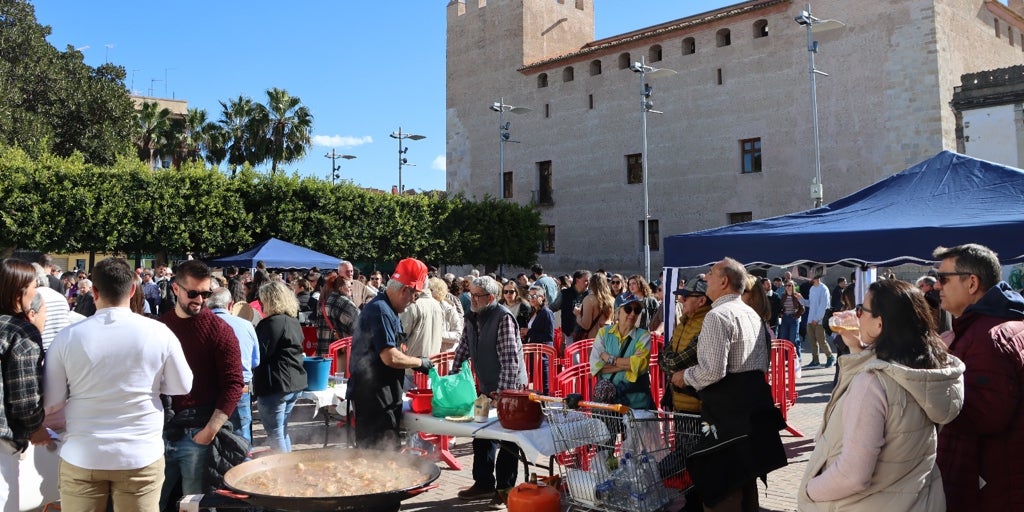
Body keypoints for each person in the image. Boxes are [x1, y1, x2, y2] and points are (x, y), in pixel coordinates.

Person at [799, 279, 965, 510]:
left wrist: (809, 490)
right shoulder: (926, 372)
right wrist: (856, 348)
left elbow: (853, 476)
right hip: (918, 501)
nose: (856, 315)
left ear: (880, 324)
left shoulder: (873, 382)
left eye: (861, 310)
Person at [43, 257, 192, 511]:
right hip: (139, 454)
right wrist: (152, 385)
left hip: (84, 452)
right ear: (133, 290)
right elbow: (182, 385)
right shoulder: (159, 332)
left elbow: (52, 401)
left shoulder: (68, 336)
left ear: (94, 291)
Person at [677, 258, 787, 511]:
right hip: (751, 415)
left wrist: (684, 376)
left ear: (724, 281)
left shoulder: (718, 315)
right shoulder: (752, 314)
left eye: (711, 274)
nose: (706, 278)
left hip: (728, 418)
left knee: (723, 490)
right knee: (746, 486)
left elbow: (712, 371)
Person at [933, 243, 1024, 511]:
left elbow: (983, 416)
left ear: (972, 283)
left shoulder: (987, 338)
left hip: (990, 485)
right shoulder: (1001, 325)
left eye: (943, 279)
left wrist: (933, 381)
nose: (937, 286)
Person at [158, 260, 244, 509]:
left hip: (197, 433)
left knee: (193, 505)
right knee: (151, 503)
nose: (200, 300)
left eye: (206, 294)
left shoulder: (220, 330)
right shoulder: (160, 327)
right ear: (176, 289)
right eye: (193, 293)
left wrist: (210, 431)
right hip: (160, 430)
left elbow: (234, 383)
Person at [452, 276, 528, 508]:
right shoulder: (472, 316)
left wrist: (501, 395)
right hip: (486, 386)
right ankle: (483, 483)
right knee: (482, 435)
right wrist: (452, 376)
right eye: (471, 295)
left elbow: (510, 361)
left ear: (491, 297)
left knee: (507, 440)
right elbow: (463, 347)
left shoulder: (502, 318)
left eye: (477, 296)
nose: (472, 299)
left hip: (509, 388)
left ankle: (505, 489)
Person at [348, 258, 433, 449]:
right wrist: (419, 363)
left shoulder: (388, 309)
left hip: (383, 394)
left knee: (384, 453)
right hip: (374, 397)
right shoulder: (381, 310)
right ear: (405, 290)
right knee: (377, 456)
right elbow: (390, 356)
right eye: (415, 295)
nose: (413, 301)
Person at [0, 258, 46, 511]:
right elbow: (24, 400)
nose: (36, 292)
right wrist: (35, 426)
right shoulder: (20, 332)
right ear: (20, 291)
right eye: (34, 286)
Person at [253, 281, 307, 453]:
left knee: (275, 433)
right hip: (292, 383)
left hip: (275, 385)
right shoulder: (293, 321)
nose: (261, 305)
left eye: (262, 301)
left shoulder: (270, 323)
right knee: (281, 431)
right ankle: (288, 464)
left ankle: (283, 467)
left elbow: (258, 355)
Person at [207, 287, 260, 444]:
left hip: (211, 388)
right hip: (241, 387)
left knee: (212, 436)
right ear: (230, 304)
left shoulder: (201, 325)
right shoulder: (246, 325)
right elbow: (255, 361)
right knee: (242, 436)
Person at [589, 297, 655, 409]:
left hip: (637, 405)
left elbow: (639, 365)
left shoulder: (644, 336)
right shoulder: (603, 333)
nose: (633, 314)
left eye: (637, 310)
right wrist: (629, 364)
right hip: (609, 405)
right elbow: (595, 367)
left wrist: (609, 359)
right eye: (628, 309)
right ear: (617, 312)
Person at [662, 278, 711, 415]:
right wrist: (668, 362)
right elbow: (664, 356)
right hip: (679, 402)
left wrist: (668, 362)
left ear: (701, 300)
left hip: (697, 406)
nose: (681, 300)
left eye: (686, 297)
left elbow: (673, 362)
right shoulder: (683, 322)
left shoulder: (707, 324)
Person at [400, 277, 444, 391]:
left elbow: (401, 336)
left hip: (413, 367)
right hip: (431, 366)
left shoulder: (413, 306)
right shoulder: (437, 305)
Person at [523, 284, 555, 393]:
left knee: (544, 381)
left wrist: (529, 332)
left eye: (535, 296)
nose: (531, 299)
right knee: (536, 382)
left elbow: (549, 336)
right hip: (534, 351)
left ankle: (545, 400)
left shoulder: (546, 313)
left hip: (542, 353)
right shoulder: (534, 311)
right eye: (530, 296)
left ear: (543, 297)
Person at [804, 275, 833, 369]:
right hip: (810, 319)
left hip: (819, 321)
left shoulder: (824, 289)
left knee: (821, 340)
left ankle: (830, 357)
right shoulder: (812, 288)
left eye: (812, 277)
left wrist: (816, 319)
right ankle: (815, 360)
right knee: (812, 341)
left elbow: (824, 305)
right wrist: (801, 299)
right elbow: (810, 303)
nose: (810, 278)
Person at [429, 277, 464, 352]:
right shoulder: (426, 308)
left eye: (430, 290)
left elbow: (458, 335)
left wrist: (438, 334)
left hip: (445, 354)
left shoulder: (449, 309)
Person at [574, 273, 613, 340]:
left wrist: (578, 315)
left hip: (593, 339)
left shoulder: (589, 299)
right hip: (608, 337)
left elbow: (586, 325)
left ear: (591, 284)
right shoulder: (612, 300)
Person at [559, 270, 591, 345]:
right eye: (585, 281)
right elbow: (553, 307)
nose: (588, 283)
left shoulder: (590, 295)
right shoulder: (565, 294)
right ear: (577, 280)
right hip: (569, 333)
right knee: (572, 352)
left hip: (586, 334)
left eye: (588, 281)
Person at [778, 280, 805, 355]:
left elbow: (802, 308)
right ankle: (786, 357)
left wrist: (797, 315)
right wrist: (781, 313)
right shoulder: (783, 296)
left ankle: (797, 356)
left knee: (793, 339)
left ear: (793, 286)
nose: (787, 287)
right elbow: (780, 307)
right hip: (785, 318)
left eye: (789, 285)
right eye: (786, 285)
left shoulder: (797, 295)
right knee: (783, 338)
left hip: (793, 318)